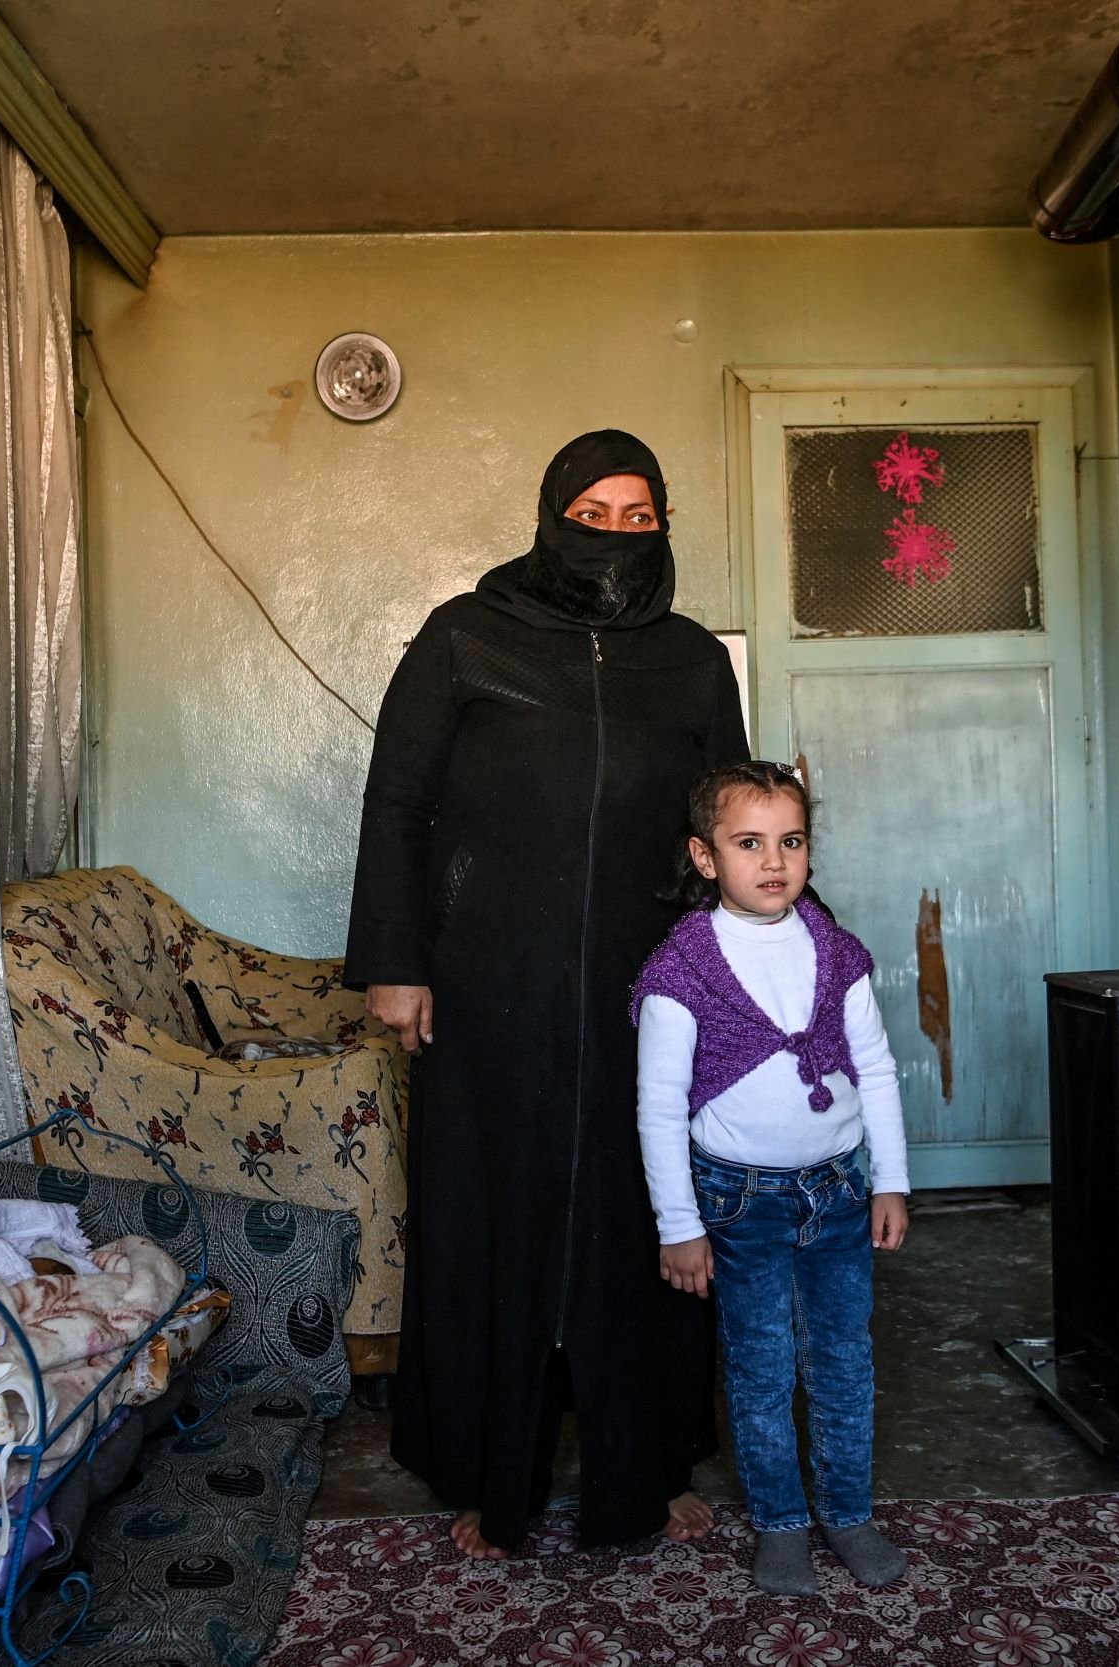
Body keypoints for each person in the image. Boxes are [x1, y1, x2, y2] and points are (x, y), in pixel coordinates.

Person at [343, 431, 749, 1559]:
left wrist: (743, 972)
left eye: (638, 516)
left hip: (651, 983)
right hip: (490, 981)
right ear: (548, 514)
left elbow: (726, 820)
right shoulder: (464, 637)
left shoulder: (689, 660)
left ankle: (649, 1462)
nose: (614, 535)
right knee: (494, 1215)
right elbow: (398, 804)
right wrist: (396, 958)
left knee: (648, 1211)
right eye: (593, 511)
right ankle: (489, 1472)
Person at [632, 761, 912, 1596]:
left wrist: (889, 1180)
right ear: (705, 855)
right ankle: (781, 1523)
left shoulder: (833, 951)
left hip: (837, 1192)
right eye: (748, 843)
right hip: (736, 1201)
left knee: (842, 1362)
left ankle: (849, 1512)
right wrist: (676, 1223)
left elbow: (878, 1069)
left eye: (790, 840)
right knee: (759, 1368)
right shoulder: (684, 966)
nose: (773, 860)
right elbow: (657, 1105)